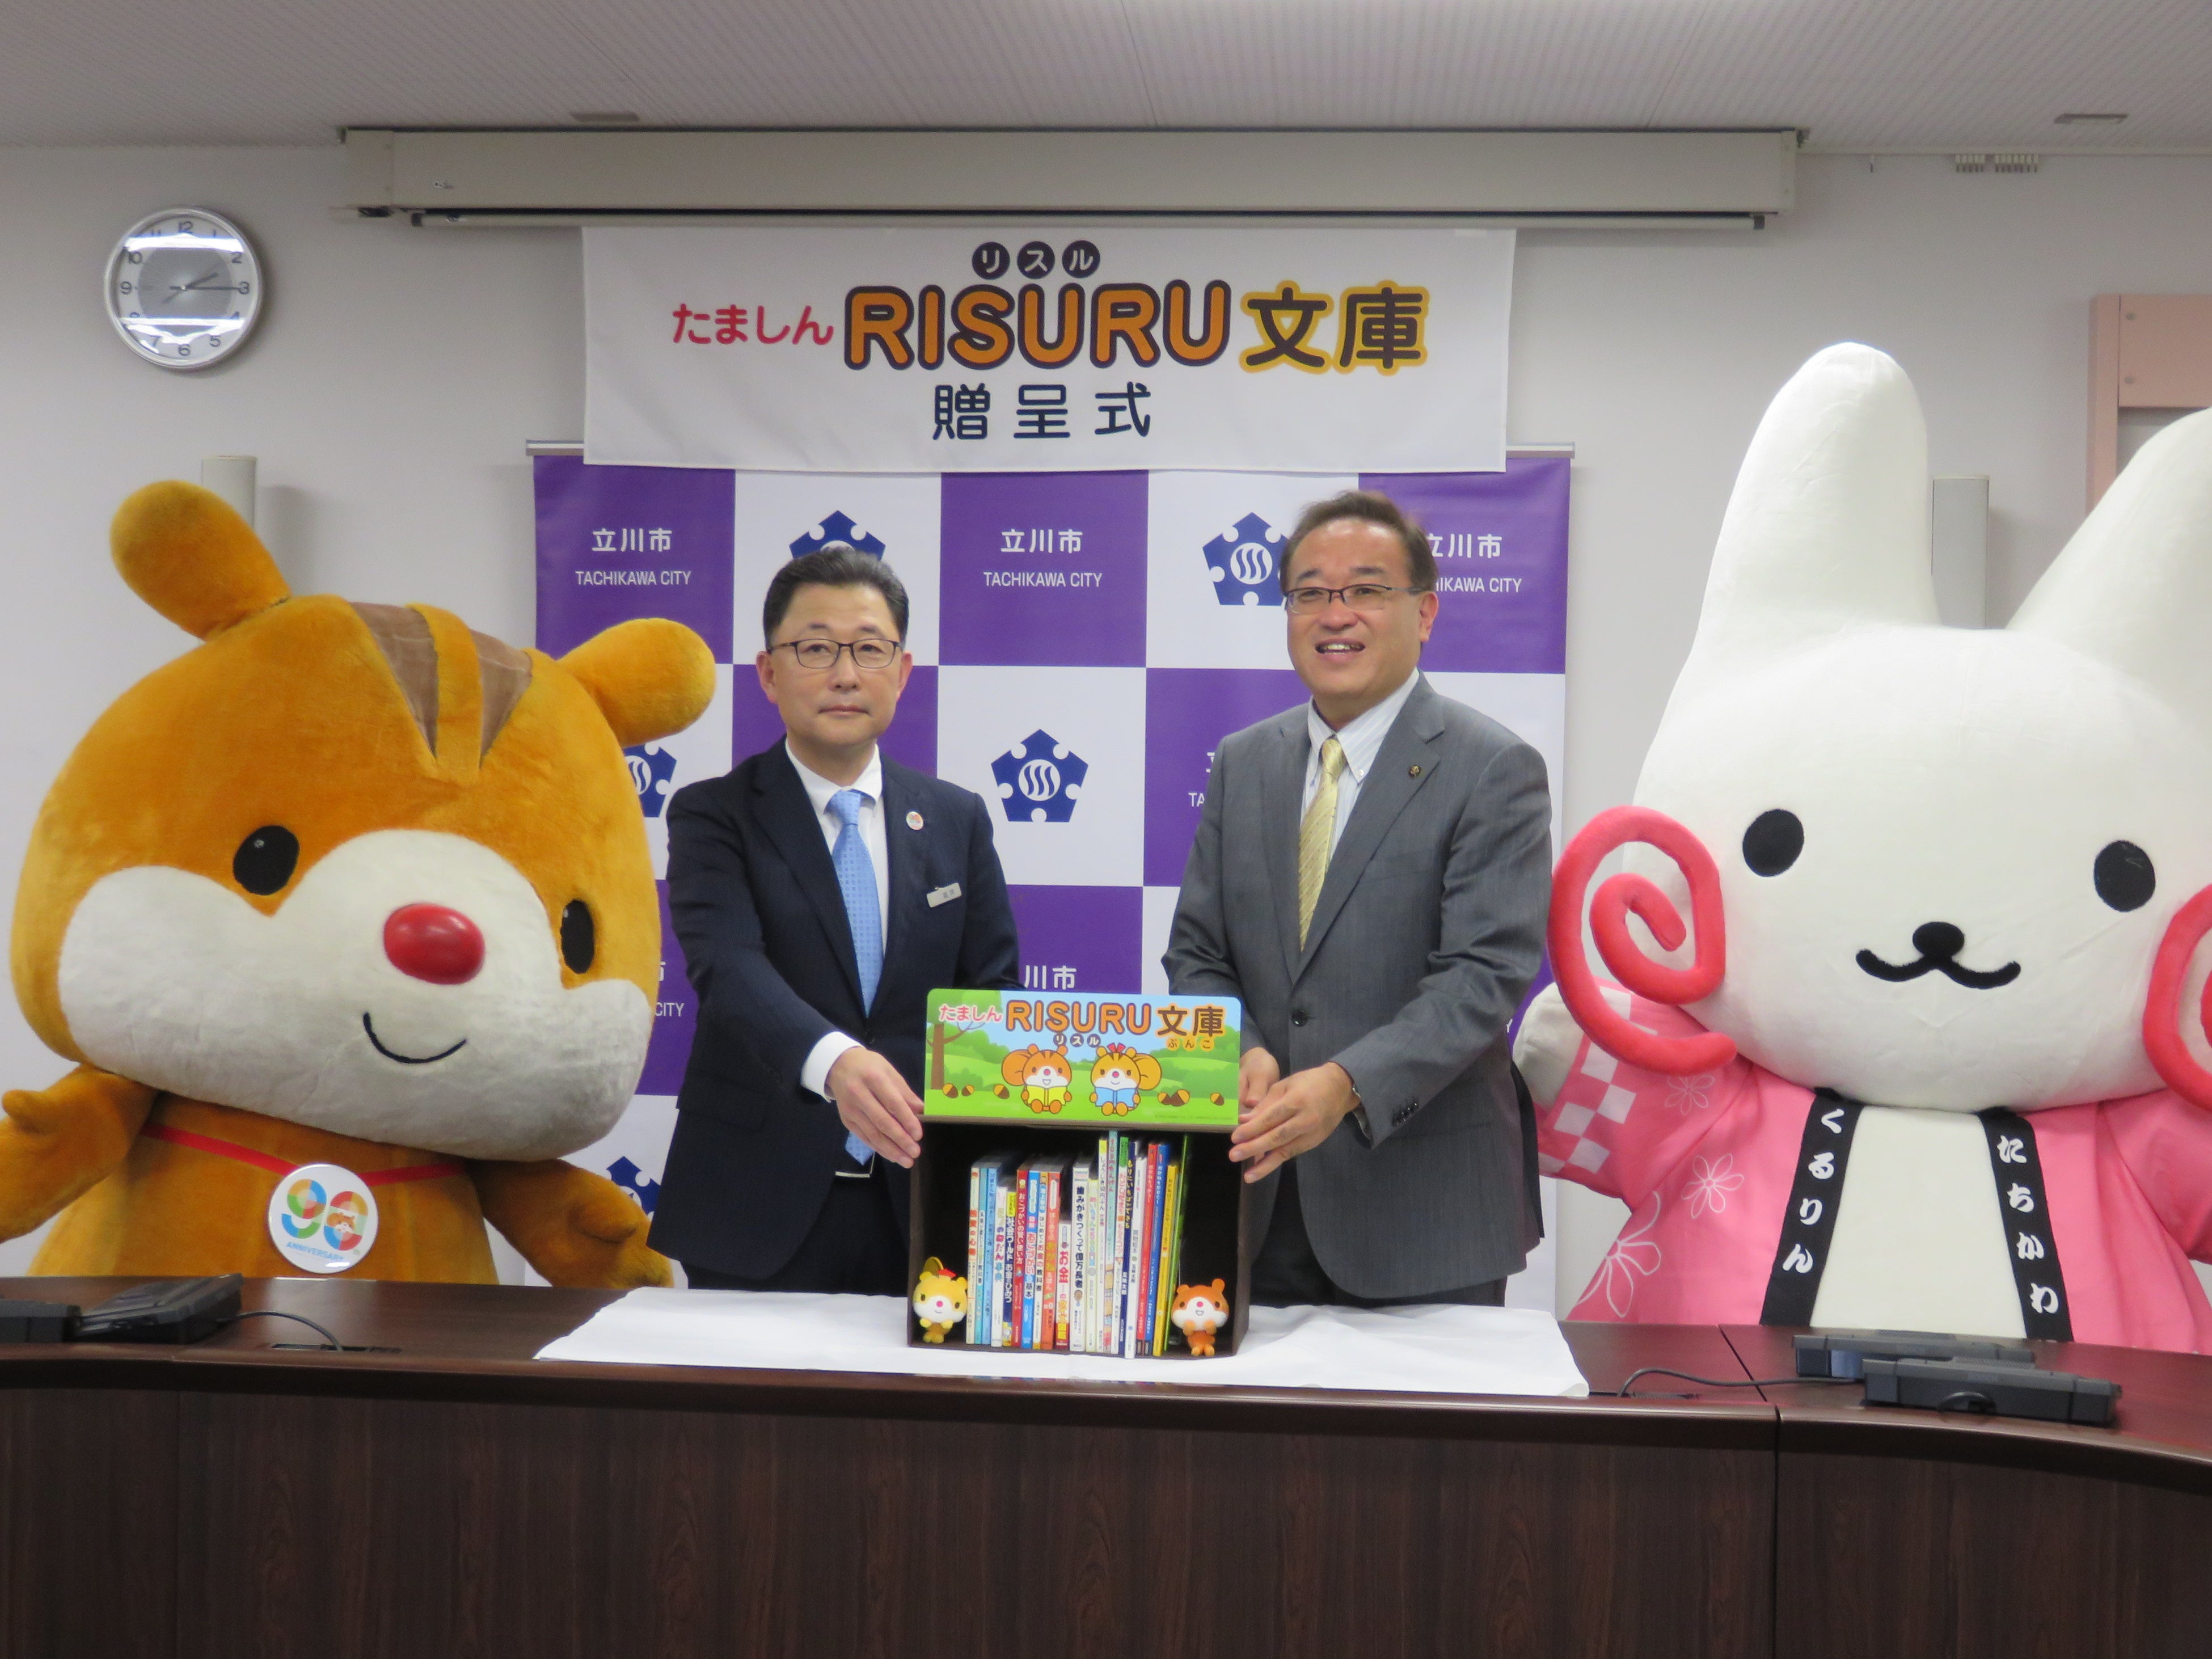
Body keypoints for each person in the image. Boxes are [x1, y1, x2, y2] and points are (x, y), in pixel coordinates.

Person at [1164, 491, 1551, 1306]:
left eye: (1367, 589)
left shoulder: (1493, 767)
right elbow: (1198, 953)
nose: (1334, 615)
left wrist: (1346, 1082)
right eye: (1309, 592)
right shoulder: (1242, 762)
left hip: (1424, 1212)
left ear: (1425, 611)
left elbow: (1482, 978)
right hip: (1258, 1196)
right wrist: (1244, 1050)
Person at [651, 546, 1020, 1294]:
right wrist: (837, 1064)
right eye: (816, 649)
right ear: (768, 673)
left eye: (869, 649)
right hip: (755, 1199)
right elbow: (729, 969)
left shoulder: (957, 818)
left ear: (903, 671)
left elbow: (991, 992)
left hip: (922, 1199)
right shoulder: (713, 813)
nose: (846, 674)